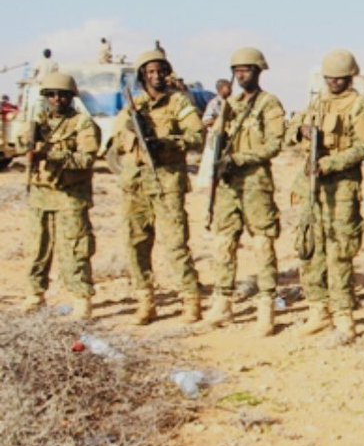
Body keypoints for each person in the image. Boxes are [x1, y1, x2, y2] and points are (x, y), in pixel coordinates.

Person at [113, 49, 205, 324]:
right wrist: (131, 130)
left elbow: (197, 135)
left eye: (161, 71)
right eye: (150, 72)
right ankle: (146, 300)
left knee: (176, 244)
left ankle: (190, 299)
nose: (156, 77)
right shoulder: (133, 106)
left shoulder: (178, 104)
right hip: (136, 184)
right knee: (136, 244)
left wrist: (165, 142)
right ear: (142, 76)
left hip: (166, 183)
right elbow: (115, 145)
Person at [289, 49, 364, 341]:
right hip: (312, 187)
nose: (334, 84)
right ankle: (318, 310)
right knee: (311, 248)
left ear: (350, 77)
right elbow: (291, 129)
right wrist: (301, 131)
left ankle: (343, 317)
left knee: (340, 252)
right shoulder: (318, 102)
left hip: (341, 188)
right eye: (330, 79)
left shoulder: (360, 106)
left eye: (339, 79)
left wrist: (330, 163)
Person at [203, 48, 287, 337]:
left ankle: (267, 307)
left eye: (247, 70)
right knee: (223, 242)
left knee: (262, 244)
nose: (241, 75)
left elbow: (274, 144)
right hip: (228, 185)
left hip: (255, 184)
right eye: (237, 70)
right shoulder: (230, 104)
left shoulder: (268, 104)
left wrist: (241, 158)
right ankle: (222, 302)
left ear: (258, 71)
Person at [23, 72, 101, 319]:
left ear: (71, 97)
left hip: (71, 195)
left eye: (63, 95)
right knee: (37, 248)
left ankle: (81, 299)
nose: (57, 99)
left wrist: (51, 155)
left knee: (76, 248)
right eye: (52, 95)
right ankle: (35, 295)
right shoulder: (39, 122)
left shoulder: (82, 123)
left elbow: (87, 158)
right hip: (41, 194)